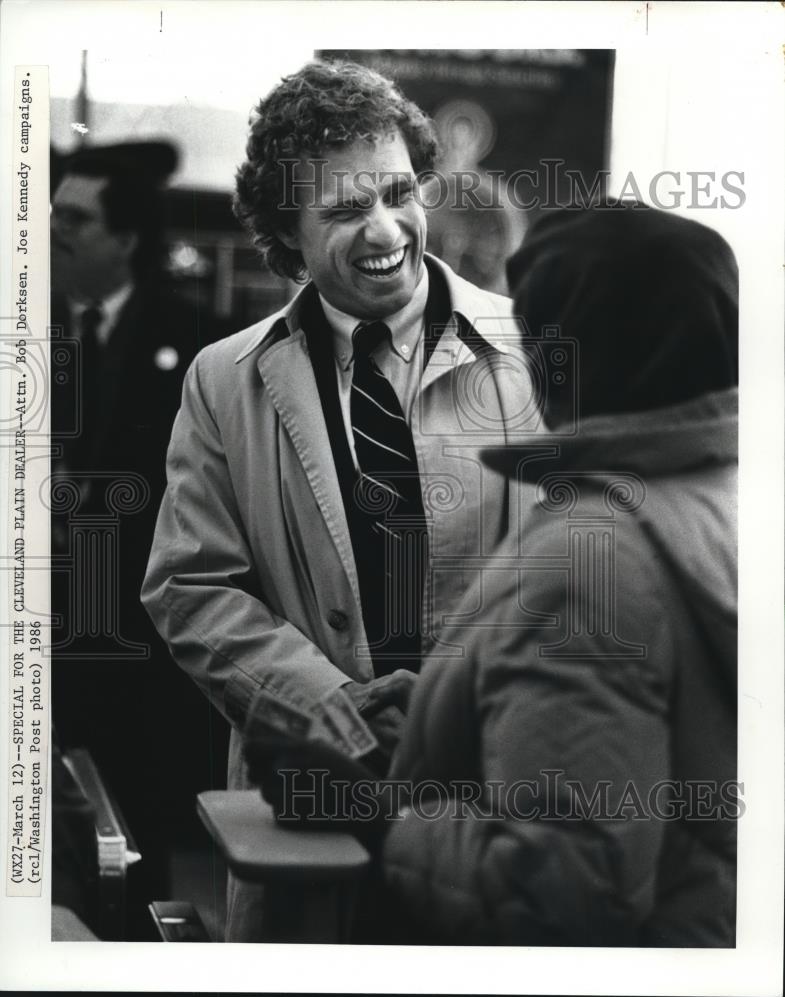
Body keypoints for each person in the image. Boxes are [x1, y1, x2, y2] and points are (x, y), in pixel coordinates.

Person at [248, 202, 739, 946]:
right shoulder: (729, 497)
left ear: (556, 356)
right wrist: (460, 710)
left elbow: (562, 887)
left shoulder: (586, 561)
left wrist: (373, 811)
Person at [141, 59, 540, 941]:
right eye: (344, 209)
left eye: (398, 191)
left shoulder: (531, 352)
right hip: (306, 803)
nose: (385, 229)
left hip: (488, 802)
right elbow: (191, 588)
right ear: (286, 231)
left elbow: (580, 575)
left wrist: (447, 720)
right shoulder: (223, 379)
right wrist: (332, 706)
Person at [50, 142, 228, 935]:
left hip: (140, 645)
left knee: (135, 840)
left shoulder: (194, 339)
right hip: (42, 636)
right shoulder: (28, 324)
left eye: (73, 219)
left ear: (123, 239)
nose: (51, 230)